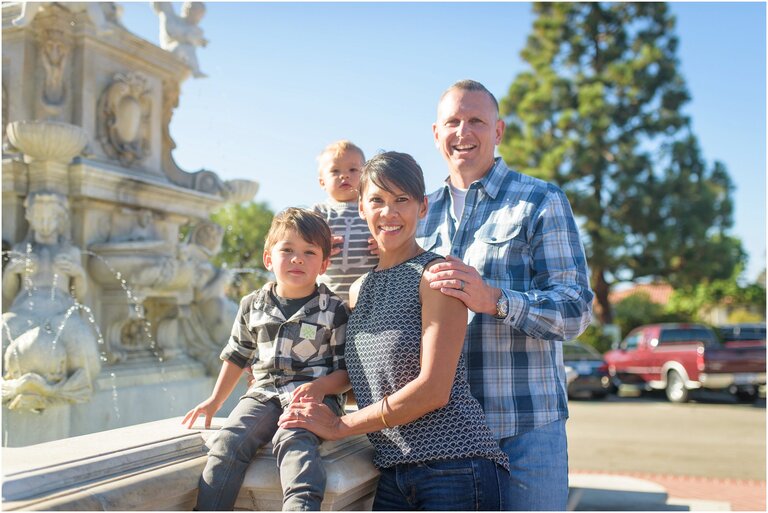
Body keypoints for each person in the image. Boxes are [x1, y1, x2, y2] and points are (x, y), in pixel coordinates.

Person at [280, 152, 510, 511]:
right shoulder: (358, 290)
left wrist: (340, 426)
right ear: (361, 208)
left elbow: (434, 390)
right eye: (377, 200)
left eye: (402, 200)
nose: (389, 213)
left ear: (422, 207)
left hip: (457, 468)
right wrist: (302, 383)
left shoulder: (434, 276)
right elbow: (371, 384)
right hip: (393, 472)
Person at [417, 79, 594, 510]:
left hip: (524, 431)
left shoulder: (540, 200)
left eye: (476, 120)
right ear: (436, 133)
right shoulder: (416, 212)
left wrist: (495, 299)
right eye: (452, 122)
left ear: (498, 131)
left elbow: (575, 309)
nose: (463, 132)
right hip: (439, 437)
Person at [182, 208, 351, 511]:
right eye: (287, 250)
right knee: (228, 443)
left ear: (324, 263)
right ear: (268, 259)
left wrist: (320, 388)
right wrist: (214, 401)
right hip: (263, 394)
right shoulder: (252, 304)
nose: (297, 258)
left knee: (295, 440)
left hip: (313, 397)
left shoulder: (334, 310)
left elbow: (345, 372)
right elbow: (236, 354)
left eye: (308, 252)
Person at [312, 140, 378, 304]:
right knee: (315, 330)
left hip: (368, 299)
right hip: (326, 299)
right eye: (335, 171)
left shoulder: (374, 209)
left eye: (353, 169)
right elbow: (303, 242)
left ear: (366, 176)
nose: (344, 175)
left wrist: (384, 246)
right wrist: (318, 244)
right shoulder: (318, 212)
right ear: (322, 182)